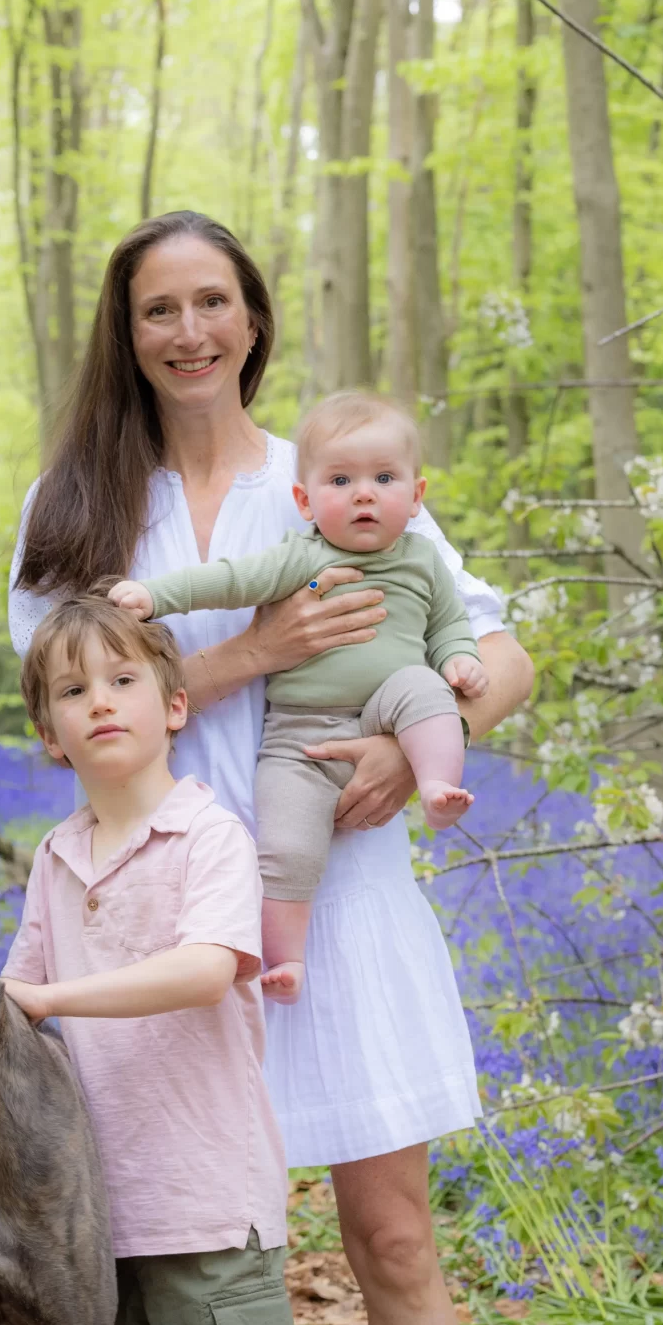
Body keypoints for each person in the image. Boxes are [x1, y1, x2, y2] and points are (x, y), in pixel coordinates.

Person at [11, 211, 537, 1325]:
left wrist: (413, 751)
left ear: (251, 317)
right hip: (158, 915)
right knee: (158, 1252)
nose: (188, 332)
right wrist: (245, 652)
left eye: (212, 302)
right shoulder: (78, 504)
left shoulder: (329, 476)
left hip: (333, 902)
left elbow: (497, 650)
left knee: (392, 1237)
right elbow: (54, 693)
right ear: (125, 332)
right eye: (157, 309)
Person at [1, 595, 351, 1325]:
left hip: (204, 1191)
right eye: (71, 690)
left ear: (174, 705)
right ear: (48, 731)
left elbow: (206, 968)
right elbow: (10, 1011)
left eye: (122, 681)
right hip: (104, 1208)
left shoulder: (208, 835)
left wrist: (51, 997)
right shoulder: (56, 857)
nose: (99, 703)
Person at [112, 389, 486, 1001]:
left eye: (384, 478)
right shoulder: (303, 556)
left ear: (416, 496)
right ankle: (286, 960)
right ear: (305, 502)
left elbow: (449, 625)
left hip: (386, 713)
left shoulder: (422, 560)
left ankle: (439, 786)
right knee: (285, 846)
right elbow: (230, 582)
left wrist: (460, 660)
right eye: (341, 480)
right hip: (299, 738)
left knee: (425, 688)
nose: (364, 494)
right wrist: (157, 597)